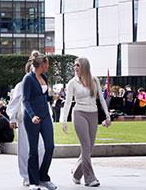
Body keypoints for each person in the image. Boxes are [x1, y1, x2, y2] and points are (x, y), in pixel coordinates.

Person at [60, 57, 111, 187]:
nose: (75, 68)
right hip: (79, 114)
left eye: (78, 65)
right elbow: (67, 103)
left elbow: (102, 99)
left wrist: (107, 115)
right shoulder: (72, 82)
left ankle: (76, 174)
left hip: (93, 114)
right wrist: (64, 121)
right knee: (86, 147)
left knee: (89, 148)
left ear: (84, 67)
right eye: (74, 65)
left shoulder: (94, 81)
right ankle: (90, 178)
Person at [8, 61, 45, 187]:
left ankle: (37, 174)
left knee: (41, 148)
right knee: (25, 149)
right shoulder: (21, 85)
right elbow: (14, 102)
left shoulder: (41, 84)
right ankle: (26, 176)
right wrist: (12, 118)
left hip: (40, 120)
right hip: (25, 120)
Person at [22, 51, 56, 190]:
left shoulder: (44, 77)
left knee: (50, 146)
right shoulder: (28, 79)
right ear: (42, 64)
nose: (48, 66)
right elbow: (26, 100)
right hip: (32, 118)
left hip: (45, 116)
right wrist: (32, 115)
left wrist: (53, 97)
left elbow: (43, 96)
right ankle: (33, 181)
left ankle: (43, 177)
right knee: (33, 150)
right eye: (47, 64)